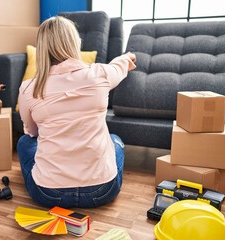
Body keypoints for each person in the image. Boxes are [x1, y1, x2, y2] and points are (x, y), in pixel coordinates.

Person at [17, 16, 136, 209]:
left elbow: (31, 132)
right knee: (115, 140)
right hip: (102, 190)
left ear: (41, 48)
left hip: (48, 193)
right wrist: (127, 58)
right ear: (75, 43)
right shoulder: (100, 74)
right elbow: (119, 67)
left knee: (24, 142)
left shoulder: (28, 88)